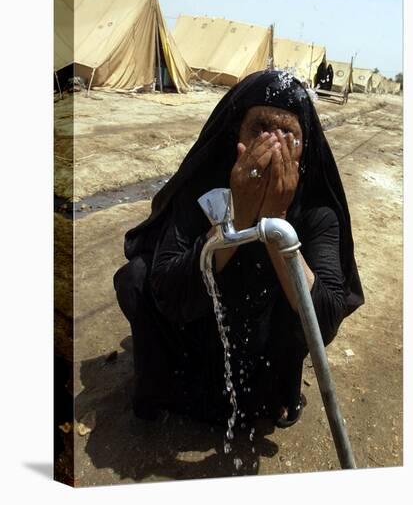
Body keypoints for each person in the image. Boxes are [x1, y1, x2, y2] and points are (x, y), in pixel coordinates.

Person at [113, 69, 364, 429]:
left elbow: (323, 321)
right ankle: (163, 389)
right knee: (135, 276)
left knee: (295, 294)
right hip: (200, 332)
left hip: (264, 355)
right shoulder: (203, 189)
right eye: (260, 128)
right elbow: (167, 290)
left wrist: (278, 221)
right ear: (236, 136)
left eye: (287, 135)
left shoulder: (315, 212)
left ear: (304, 148)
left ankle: (279, 398)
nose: (272, 146)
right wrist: (239, 220)